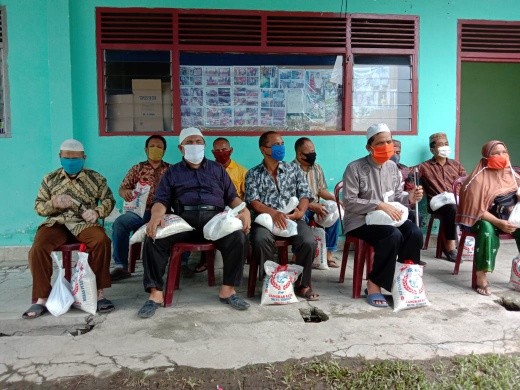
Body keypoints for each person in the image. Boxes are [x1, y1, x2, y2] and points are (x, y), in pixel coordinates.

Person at [137, 127, 251, 318]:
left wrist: (245, 210)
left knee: (238, 237)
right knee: (154, 237)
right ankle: (155, 293)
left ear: (204, 145)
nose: (195, 146)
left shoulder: (217, 170)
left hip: (215, 220)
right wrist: (156, 216)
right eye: (189, 142)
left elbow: (232, 197)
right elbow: (162, 200)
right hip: (184, 221)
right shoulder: (172, 173)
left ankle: (228, 290)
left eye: (198, 142)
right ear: (181, 148)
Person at [23, 139, 116, 319]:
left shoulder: (96, 178)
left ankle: (98, 293)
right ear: (60, 157)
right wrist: (54, 203)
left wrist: (97, 212)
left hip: (83, 223)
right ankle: (41, 298)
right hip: (56, 223)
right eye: (67, 157)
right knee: (38, 248)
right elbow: (39, 207)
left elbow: (109, 200)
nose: (71, 161)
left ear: (84, 158)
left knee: (101, 241)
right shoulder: (50, 179)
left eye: (76, 158)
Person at [343, 123, 424, 308]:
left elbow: (396, 197)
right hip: (360, 220)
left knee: (414, 233)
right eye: (381, 142)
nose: (387, 146)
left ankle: (403, 281)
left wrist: (409, 197)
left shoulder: (393, 168)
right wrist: (378, 204)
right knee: (392, 235)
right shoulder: (355, 168)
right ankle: (374, 285)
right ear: (369, 147)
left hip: (388, 218)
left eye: (389, 141)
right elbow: (349, 201)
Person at [246, 131, 319, 301]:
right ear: (264, 149)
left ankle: (303, 285)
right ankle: (271, 283)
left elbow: (305, 194)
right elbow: (254, 202)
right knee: (260, 240)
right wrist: (274, 213)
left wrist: (300, 212)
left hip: (293, 218)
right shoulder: (253, 174)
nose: (281, 148)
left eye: (282, 143)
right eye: (276, 145)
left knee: (308, 241)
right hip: (266, 220)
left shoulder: (293, 169)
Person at [456, 140, 520, 296]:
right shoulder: (478, 180)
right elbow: (477, 210)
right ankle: (481, 275)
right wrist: (499, 222)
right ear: (486, 157)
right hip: (480, 220)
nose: (502, 156)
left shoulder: (512, 175)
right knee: (486, 229)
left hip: (509, 217)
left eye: (504, 152)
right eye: (496, 153)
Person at [111, 135, 170, 281]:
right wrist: (126, 193)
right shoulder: (137, 168)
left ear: (164, 151)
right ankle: (120, 266)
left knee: (184, 222)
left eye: (159, 147)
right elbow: (123, 189)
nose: (155, 149)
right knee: (120, 223)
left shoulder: (171, 170)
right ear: (146, 149)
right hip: (140, 212)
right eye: (152, 146)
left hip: (164, 212)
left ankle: (182, 263)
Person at [415, 133, 466, 262]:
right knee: (452, 209)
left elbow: (467, 181)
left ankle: (468, 244)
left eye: (446, 144)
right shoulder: (424, 167)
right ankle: (450, 247)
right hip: (437, 202)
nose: (445, 147)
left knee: (469, 206)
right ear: (432, 149)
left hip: (456, 200)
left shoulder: (456, 165)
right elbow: (411, 176)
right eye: (441, 145)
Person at [293, 137, 340, 268]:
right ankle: (297, 253)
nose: (312, 154)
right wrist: (311, 206)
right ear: (299, 154)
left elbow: (321, 190)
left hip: (318, 204)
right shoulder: (290, 169)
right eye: (309, 152)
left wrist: (335, 200)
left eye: (313, 151)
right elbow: (291, 196)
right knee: (299, 218)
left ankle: (329, 253)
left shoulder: (316, 168)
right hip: (300, 206)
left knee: (334, 213)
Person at [392, 139, 422, 227]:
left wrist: (412, 195)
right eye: (392, 152)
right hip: (384, 206)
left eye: (398, 153)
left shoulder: (404, 170)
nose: (395, 156)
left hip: (401, 205)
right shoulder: (377, 169)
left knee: (416, 215)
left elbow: (410, 190)